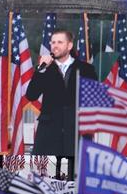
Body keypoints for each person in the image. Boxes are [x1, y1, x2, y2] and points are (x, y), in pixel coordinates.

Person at [25, 28, 99, 177]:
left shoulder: (85, 69)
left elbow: (94, 97)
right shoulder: (45, 69)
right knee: (45, 172)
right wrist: (40, 70)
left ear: (69, 46)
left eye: (60, 42)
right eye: (53, 42)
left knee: (76, 173)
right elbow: (31, 95)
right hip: (49, 129)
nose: (55, 46)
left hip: (75, 129)